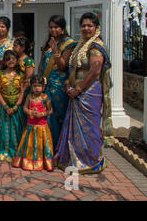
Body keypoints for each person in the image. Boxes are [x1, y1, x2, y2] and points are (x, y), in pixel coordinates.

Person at [54, 13, 113, 174]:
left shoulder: (96, 46)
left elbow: (95, 70)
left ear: (96, 28)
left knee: (89, 127)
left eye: (90, 26)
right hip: (76, 92)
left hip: (89, 93)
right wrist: (69, 86)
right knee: (75, 127)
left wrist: (78, 89)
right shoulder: (82, 44)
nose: (86, 28)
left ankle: (90, 160)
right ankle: (75, 158)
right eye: (84, 25)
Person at [38, 15, 76, 149]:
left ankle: (58, 149)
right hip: (46, 84)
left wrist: (55, 51)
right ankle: (45, 147)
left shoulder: (68, 44)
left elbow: (62, 66)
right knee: (45, 117)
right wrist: (38, 81)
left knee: (56, 117)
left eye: (56, 27)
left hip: (58, 88)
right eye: (51, 27)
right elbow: (42, 63)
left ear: (62, 28)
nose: (53, 30)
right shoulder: (48, 42)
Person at [12, 75, 54, 172]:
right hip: (30, 127)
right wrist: (30, 112)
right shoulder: (29, 97)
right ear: (31, 87)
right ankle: (29, 163)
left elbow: (50, 110)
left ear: (43, 87)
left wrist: (43, 114)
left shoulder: (45, 97)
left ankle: (44, 163)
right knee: (30, 146)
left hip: (42, 127)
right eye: (35, 86)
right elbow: (24, 108)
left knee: (41, 146)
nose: (37, 88)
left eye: (39, 86)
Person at [0, 50, 25, 162]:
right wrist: (6, 106)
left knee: (17, 128)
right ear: (5, 61)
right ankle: (5, 150)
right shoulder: (0, 74)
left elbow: (22, 92)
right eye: (8, 59)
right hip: (4, 106)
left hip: (17, 107)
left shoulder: (21, 75)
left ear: (17, 60)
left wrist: (17, 106)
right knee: (5, 129)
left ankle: (16, 151)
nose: (11, 61)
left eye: (13, 59)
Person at [13, 36, 35, 129]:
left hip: (23, 92)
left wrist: (21, 91)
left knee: (22, 116)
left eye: (16, 46)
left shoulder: (28, 61)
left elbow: (28, 79)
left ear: (23, 48)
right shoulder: (13, 59)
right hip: (12, 91)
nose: (13, 48)